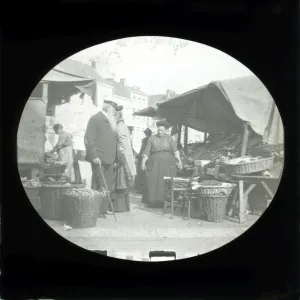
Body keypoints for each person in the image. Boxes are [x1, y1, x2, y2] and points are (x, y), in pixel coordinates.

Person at [84, 100, 121, 218]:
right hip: (99, 158)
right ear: (107, 108)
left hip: (109, 158)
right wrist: (94, 155)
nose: (115, 112)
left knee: (107, 184)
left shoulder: (110, 120)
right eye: (113, 109)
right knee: (98, 182)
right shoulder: (96, 119)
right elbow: (89, 139)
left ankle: (103, 208)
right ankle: (96, 210)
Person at [141, 120, 183, 208]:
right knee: (153, 180)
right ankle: (153, 201)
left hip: (168, 164)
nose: (160, 132)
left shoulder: (170, 138)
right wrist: (143, 162)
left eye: (162, 130)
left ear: (166, 130)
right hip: (155, 163)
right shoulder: (152, 138)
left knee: (166, 181)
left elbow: (175, 151)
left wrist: (179, 161)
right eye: (159, 130)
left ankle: (166, 201)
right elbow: (147, 151)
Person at [111, 110, 137, 212]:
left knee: (120, 181)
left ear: (116, 117)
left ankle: (118, 207)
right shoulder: (123, 126)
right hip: (125, 157)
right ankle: (123, 206)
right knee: (122, 181)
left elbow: (121, 143)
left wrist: (119, 156)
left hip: (122, 158)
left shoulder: (119, 127)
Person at [134, 128, 152, 193]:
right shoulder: (152, 139)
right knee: (147, 175)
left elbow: (142, 150)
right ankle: (146, 189)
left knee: (141, 174)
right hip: (150, 159)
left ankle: (140, 189)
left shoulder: (145, 140)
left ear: (145, 133)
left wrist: (138, 156)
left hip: (143, 159)